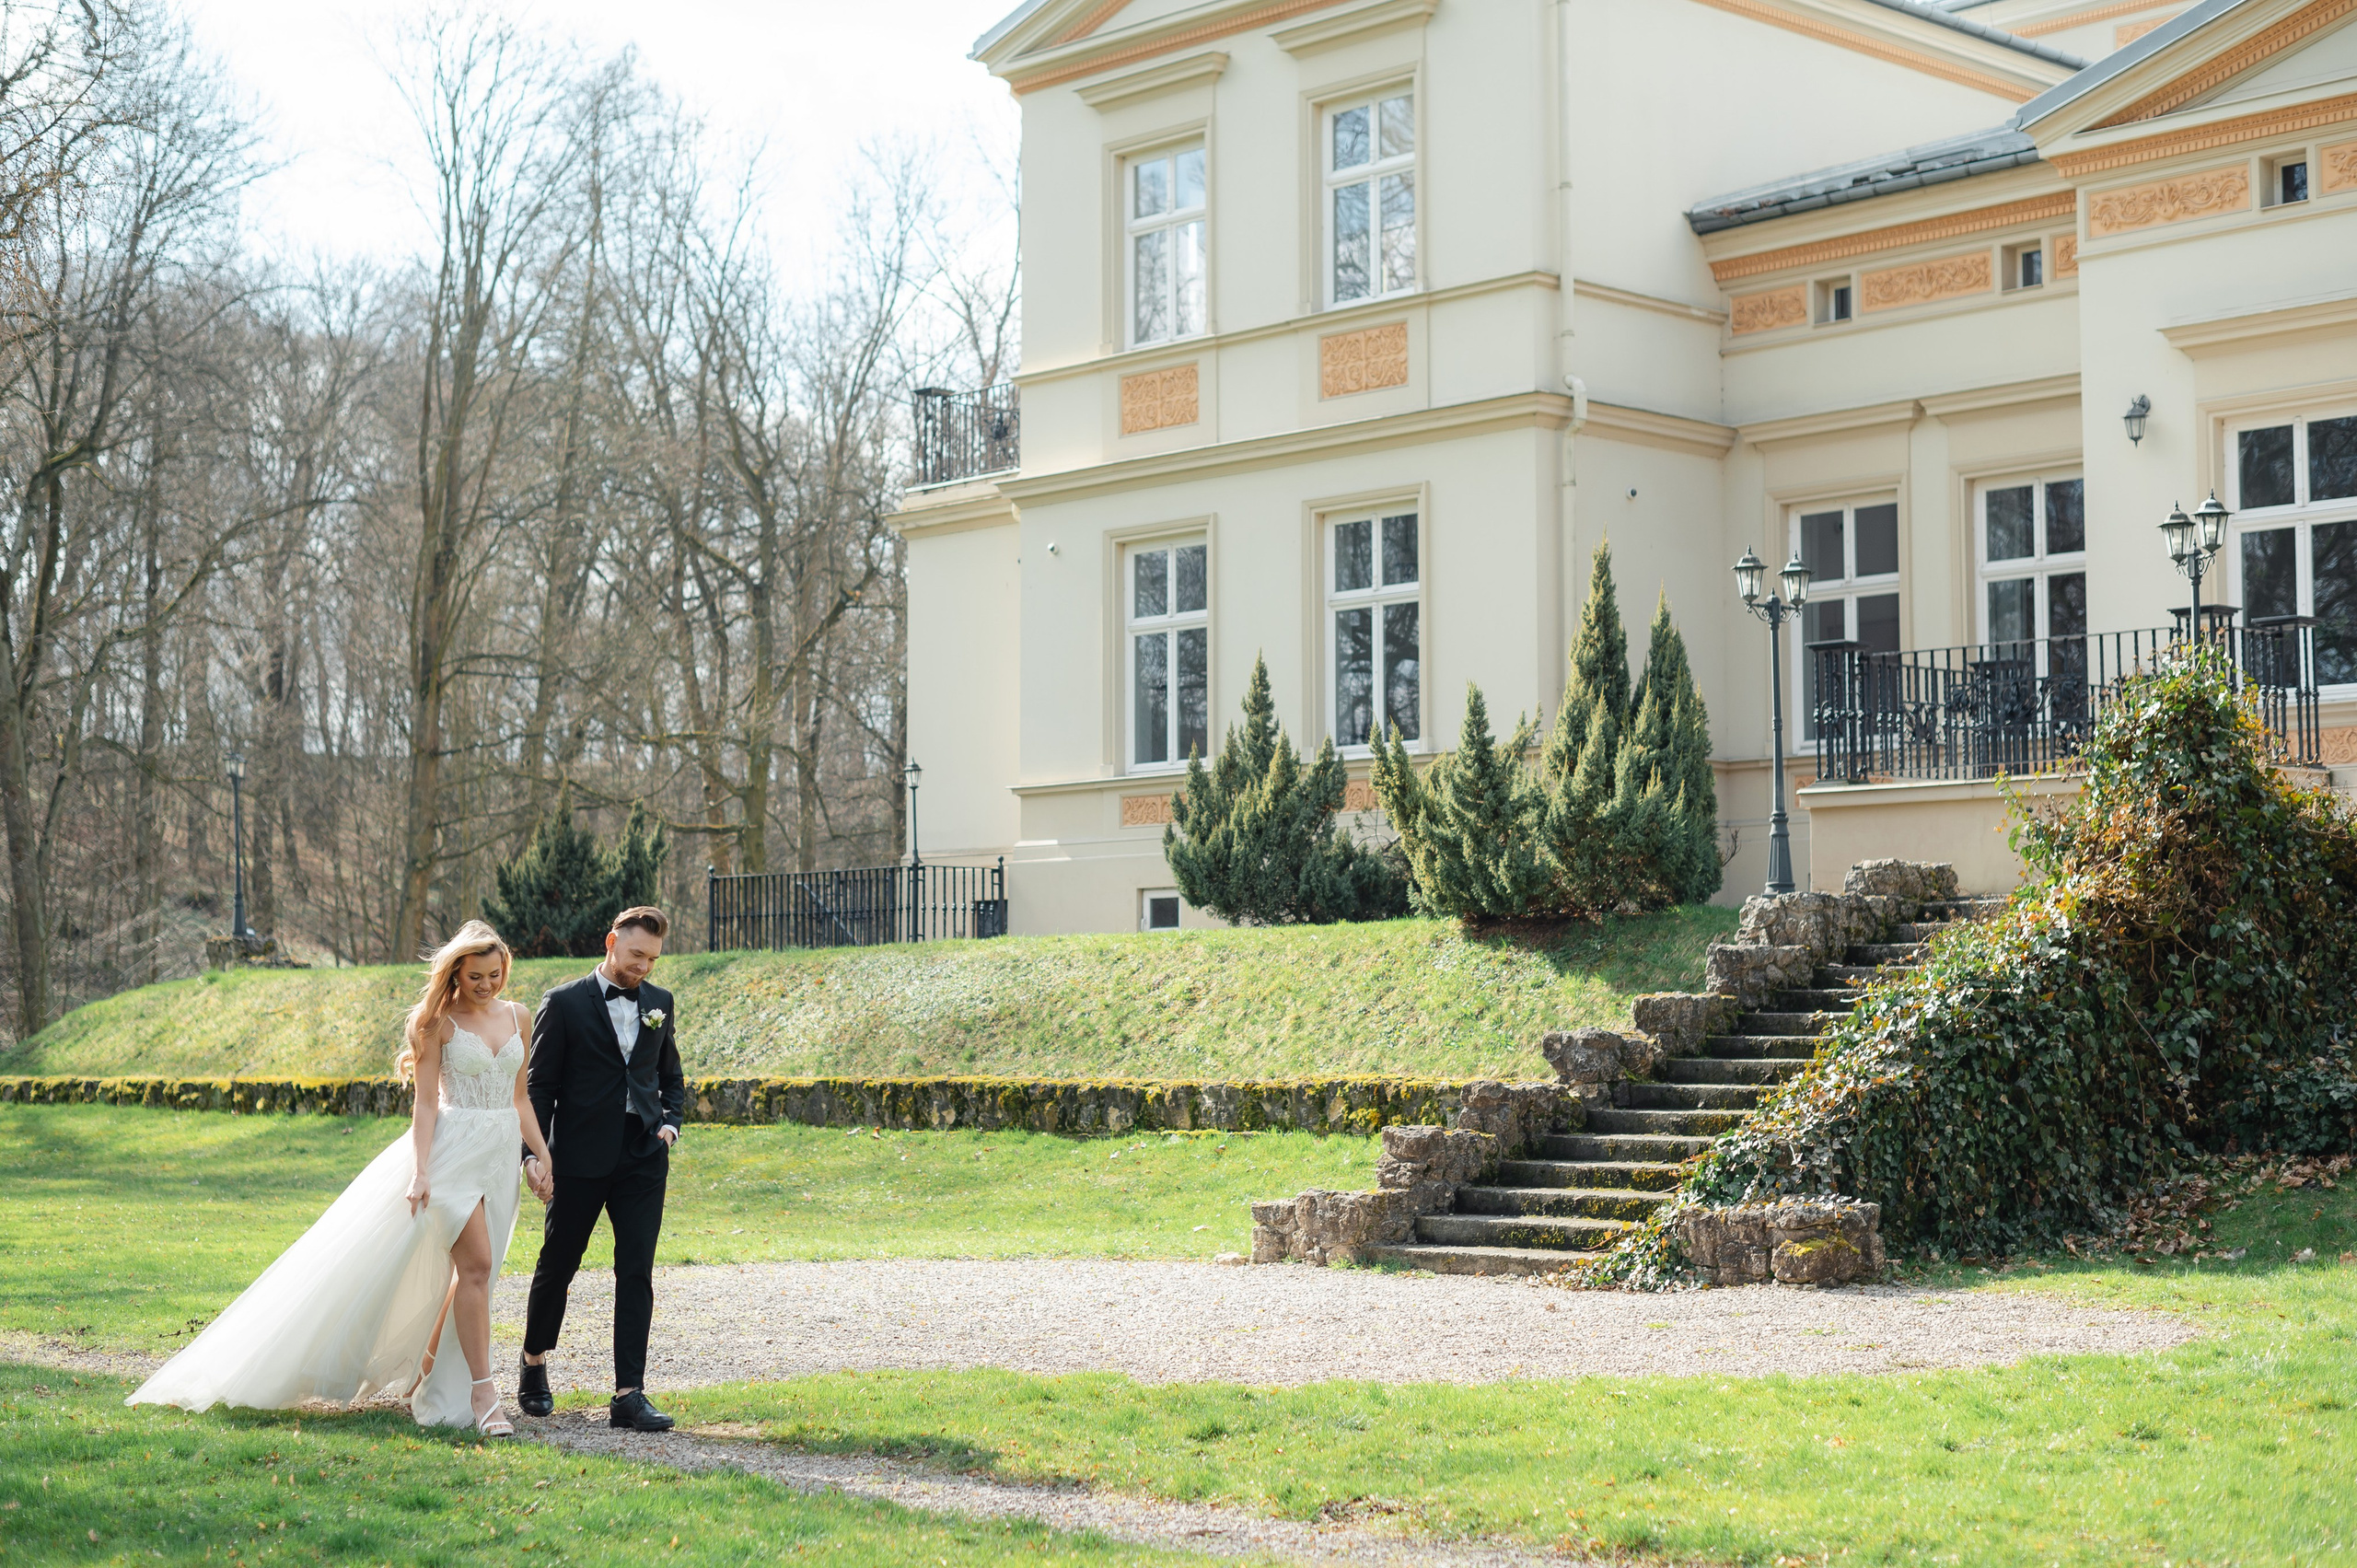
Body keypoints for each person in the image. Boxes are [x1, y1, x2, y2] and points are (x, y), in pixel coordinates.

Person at [128, 922, 553, 1435]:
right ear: (455, 975)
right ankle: (484, 1395)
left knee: (472, 1276)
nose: (487, 984)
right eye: (475, 976)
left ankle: (428, 1376)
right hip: (451, 1155)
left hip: (501, 1154)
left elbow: (520, 1098)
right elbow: (424, 1105)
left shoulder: (519, 1017)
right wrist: (420, 1173)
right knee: (479, 1267)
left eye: (494, 974)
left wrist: (541, 1153)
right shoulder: (435, 1023)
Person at [515, 905, 685, 1432]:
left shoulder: (660, 1003)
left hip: (642, 1159)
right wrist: (533, 1155)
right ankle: (534, 1362)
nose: (644, 968)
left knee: (636, 1271)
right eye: (636, 954)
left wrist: (670, 1123)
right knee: (558, 1263)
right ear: (612, 941)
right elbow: (538, 1088)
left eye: (653, 959)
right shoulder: (563, 1003)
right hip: (579, 1160)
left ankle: (628, 1394)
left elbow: (671, 1076)